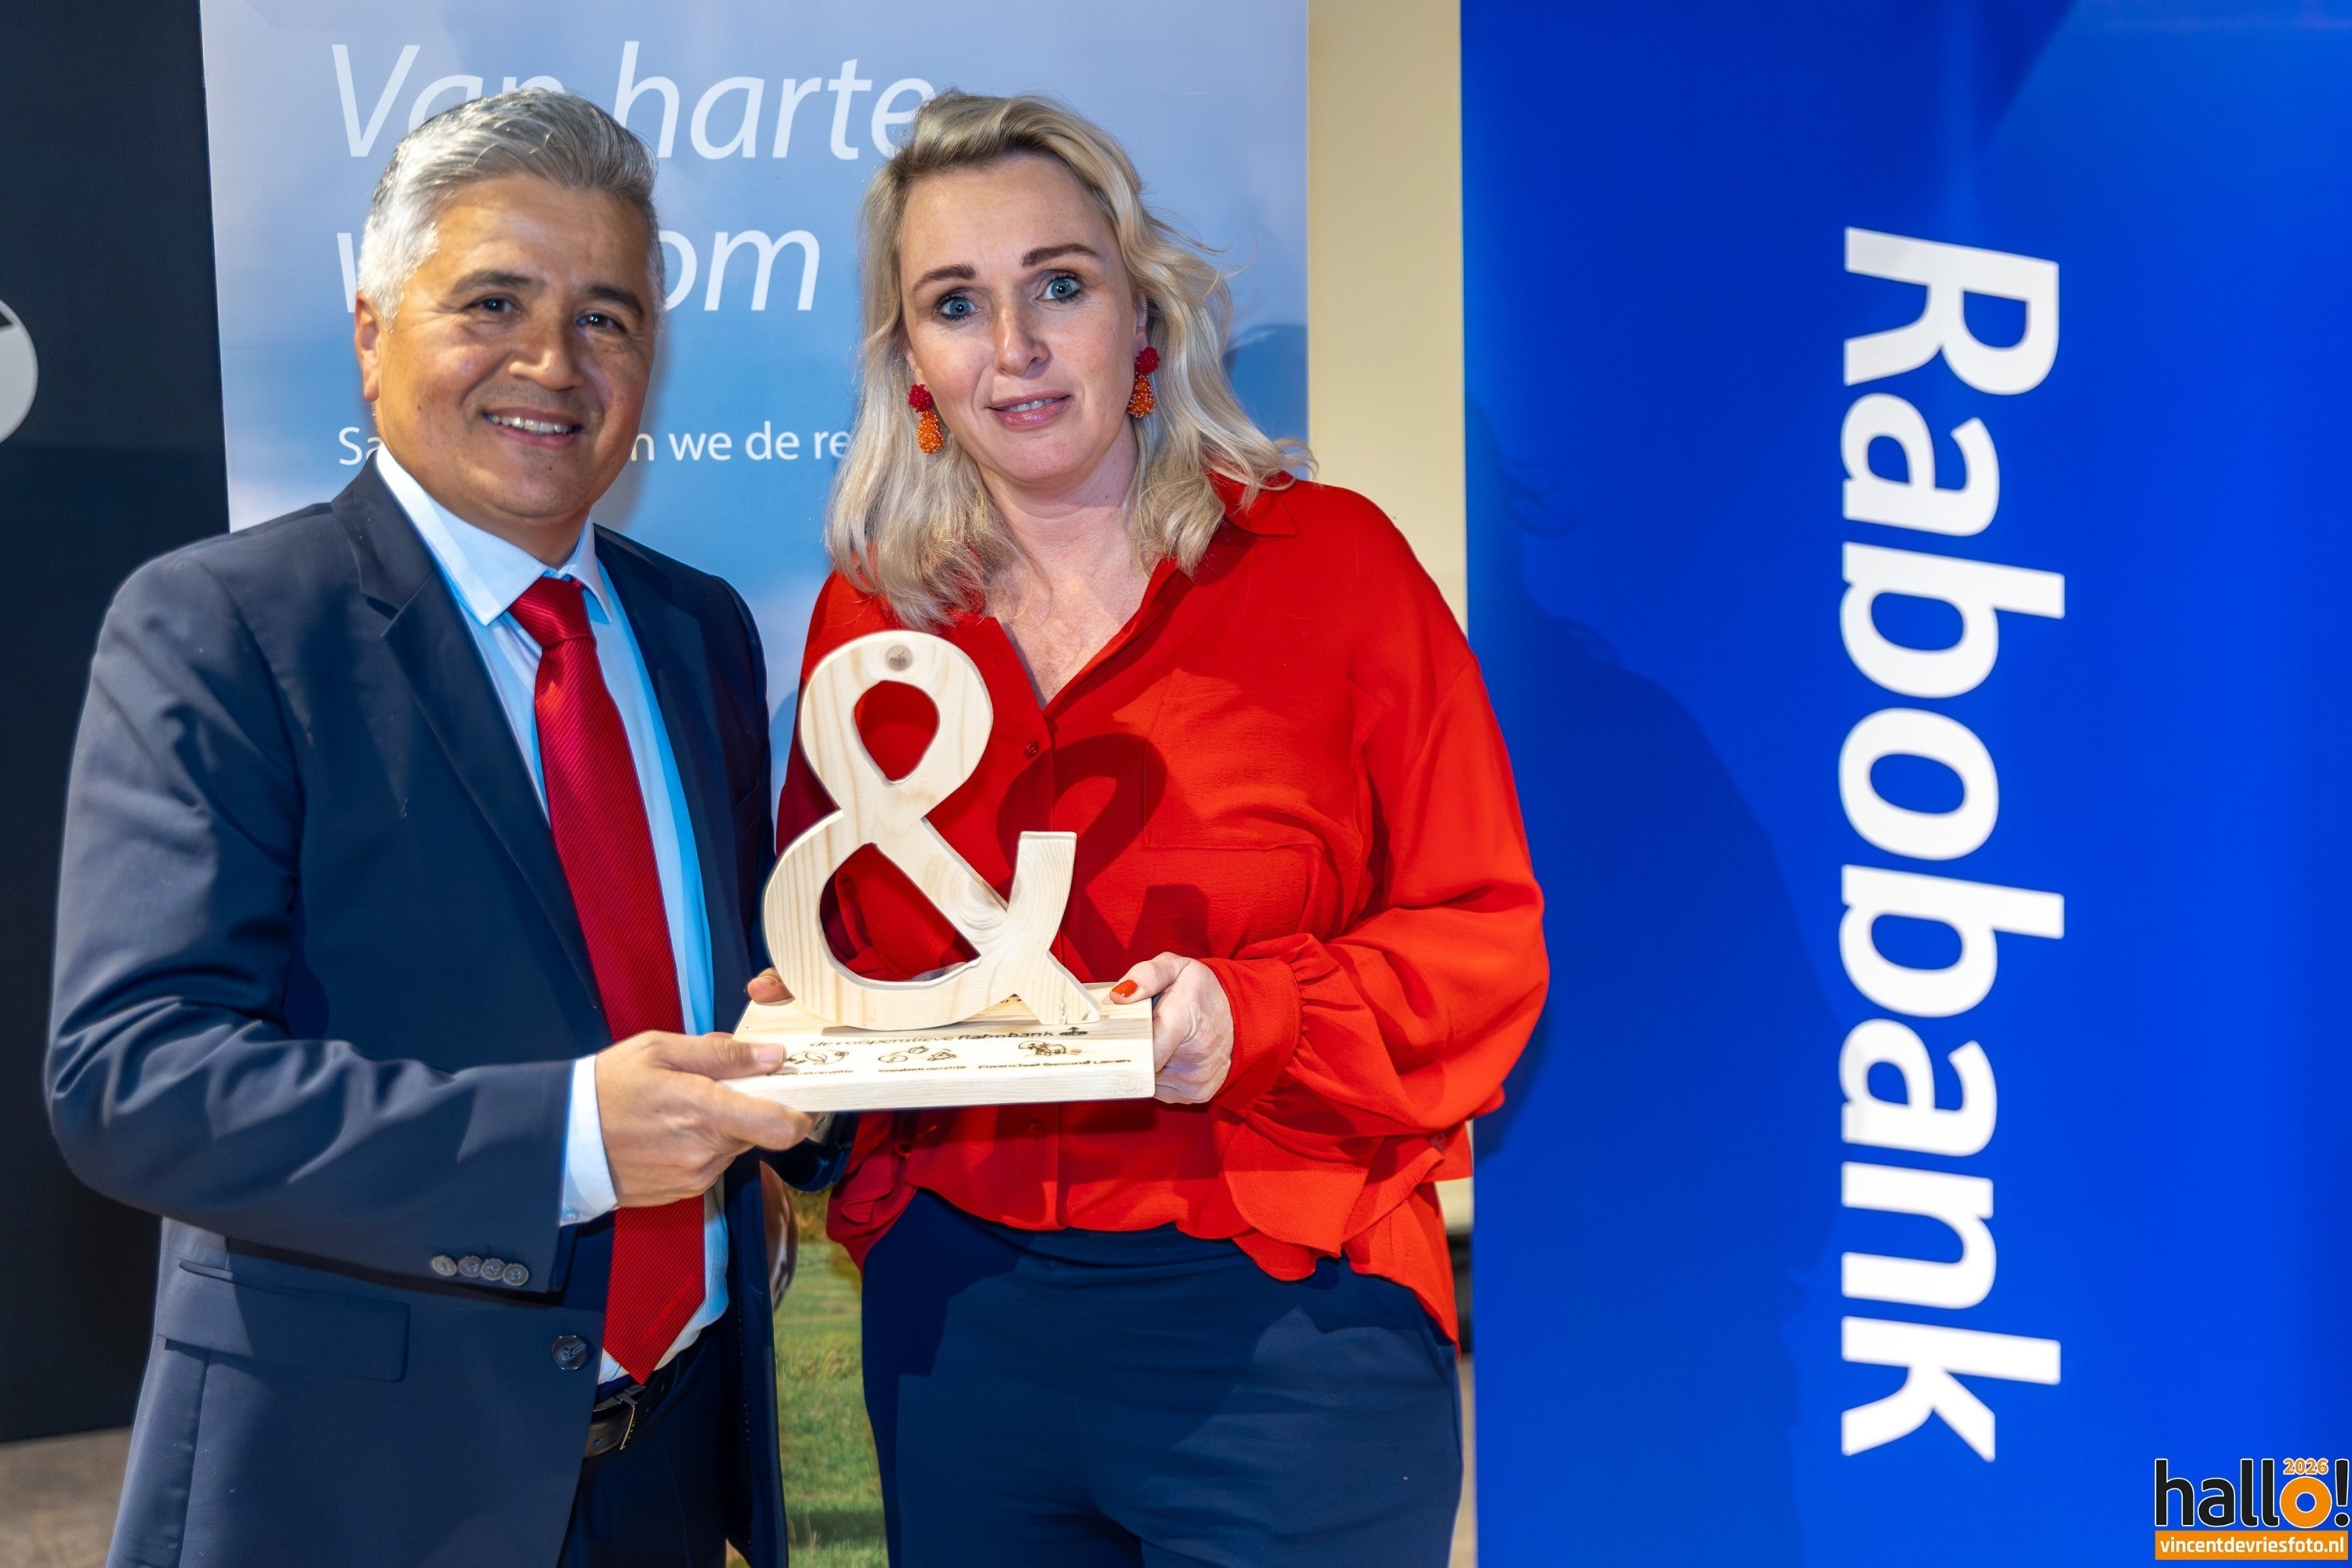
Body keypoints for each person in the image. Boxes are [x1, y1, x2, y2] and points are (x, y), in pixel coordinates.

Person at [47, 91, 844, 1568]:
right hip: (362, 1490)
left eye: (606, 317)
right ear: (372, 332)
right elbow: (132, 1079)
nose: (553, 362)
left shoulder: (699, 631)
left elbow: (738, 986)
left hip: (673, 1469)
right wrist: (569, 1142)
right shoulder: (223, 628)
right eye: (493, 302)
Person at [753, 92, 1548, 1566]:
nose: (1014, 345)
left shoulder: (1335, 569)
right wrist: (814, 1029)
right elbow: (844, 944)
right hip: (957, 1331)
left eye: (1058, 284)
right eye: (954, 303)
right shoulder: (871, 617)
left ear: (1144, 317)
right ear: (912, 363)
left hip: (1285, 1325)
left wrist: (1246, 1018)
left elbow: (1481, 947)